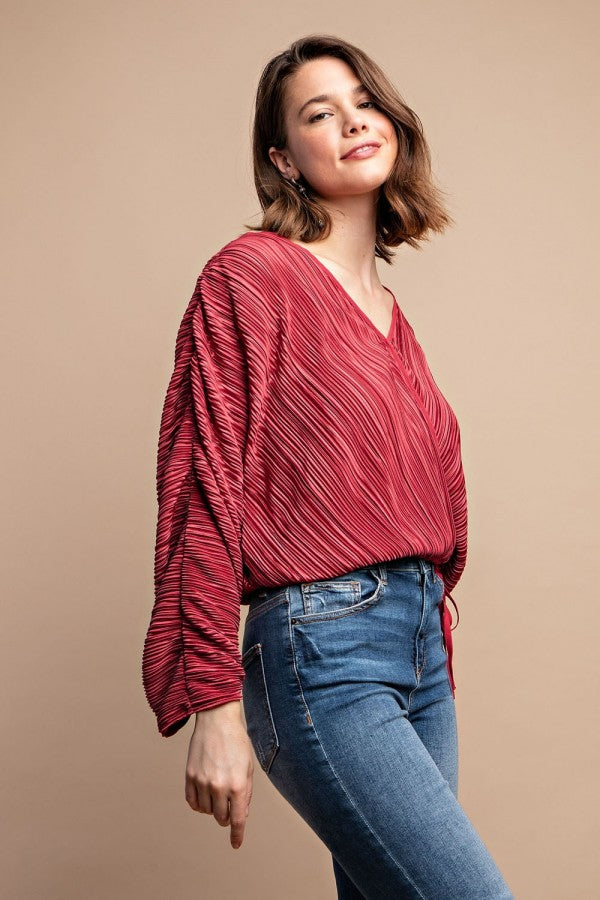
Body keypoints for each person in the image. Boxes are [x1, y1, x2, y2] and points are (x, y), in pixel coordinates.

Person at [142, 34, 514, 899]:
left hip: (421, 647)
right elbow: (204, 484)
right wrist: (216, 704)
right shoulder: (253, 276)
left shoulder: (393, 315)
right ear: (284, 158)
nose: (353, 122)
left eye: (364, 102)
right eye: (319, 113)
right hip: (322, 648)